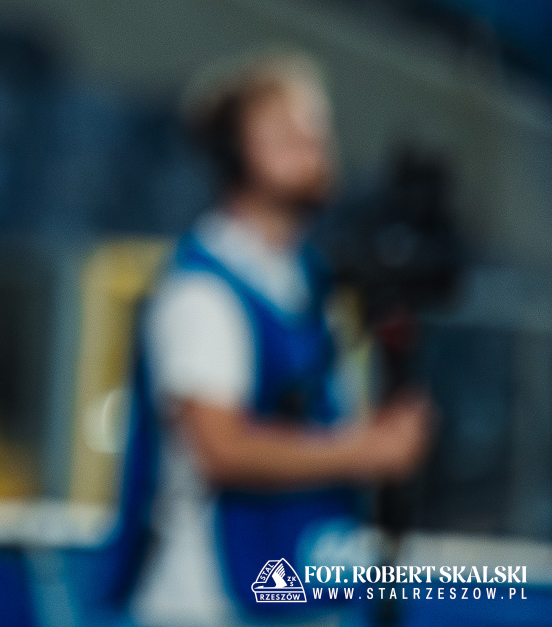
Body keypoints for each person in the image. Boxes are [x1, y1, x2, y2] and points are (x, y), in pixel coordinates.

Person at [101, 52, 432, 625]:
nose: (312, 146)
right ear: (235, 153)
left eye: (317, 130)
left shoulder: (309, 284)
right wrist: (368, 450)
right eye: (285, 133)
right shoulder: (204, 291)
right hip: (209, 601)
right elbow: (220, 448)